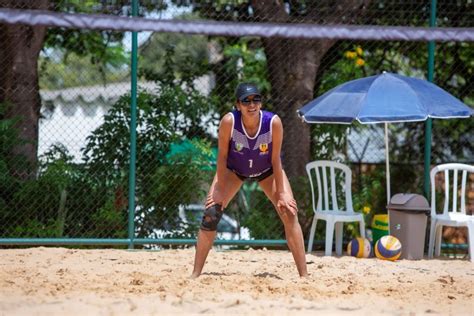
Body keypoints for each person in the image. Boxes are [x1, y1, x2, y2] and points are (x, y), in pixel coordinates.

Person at [191, 83, 308, 278]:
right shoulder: (229, 122)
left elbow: (276, 160)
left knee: (289, 211)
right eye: (246, 100)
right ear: (238, 105)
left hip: (267, 170)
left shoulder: (273, 123)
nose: (252, 104)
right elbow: (221, 157)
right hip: (234, 171)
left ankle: (304, 276)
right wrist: (219, 189)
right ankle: (195, 274)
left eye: (256, 99)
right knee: (211, 213)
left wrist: (281, 194)